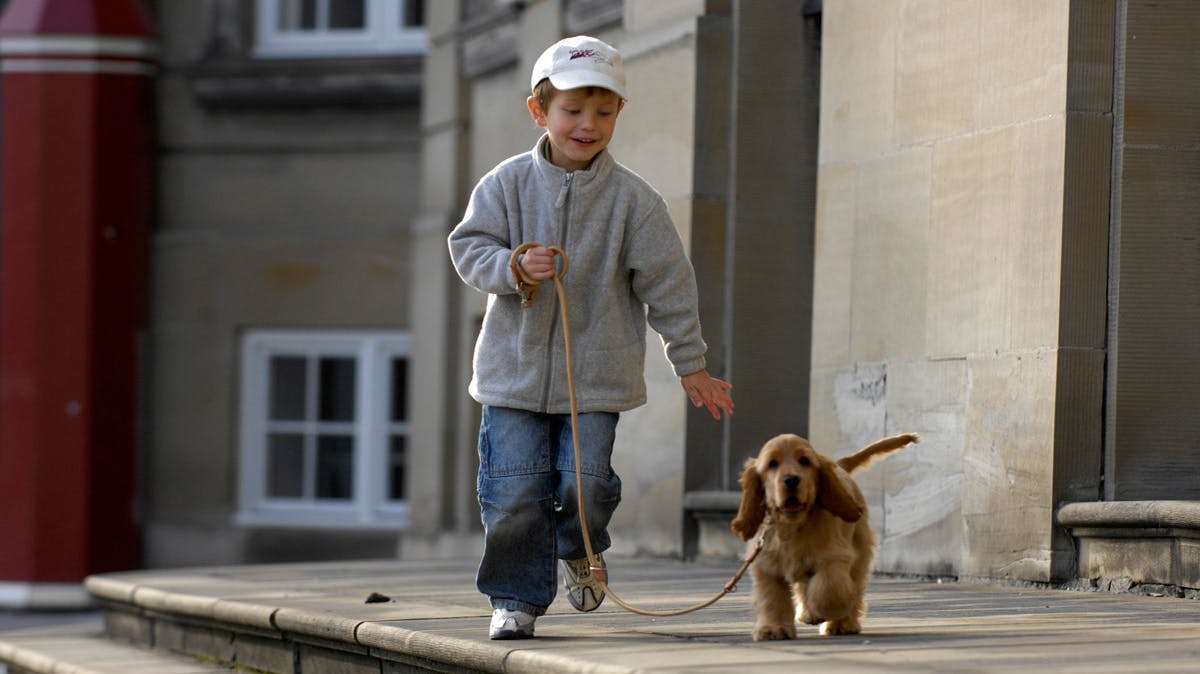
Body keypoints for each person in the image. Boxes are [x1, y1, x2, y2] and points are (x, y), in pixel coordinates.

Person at [447, 35, 734, 640]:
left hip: (597, 376)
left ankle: (581, 547)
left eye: (603, 112)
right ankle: (516, 599)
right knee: (514, 490)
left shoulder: (635, 201)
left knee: (586, 485)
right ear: (539, 112)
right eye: (573, 110)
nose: (588, 124)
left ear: (619, 115)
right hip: (513, 373)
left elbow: (671, 286)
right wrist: (514, 267)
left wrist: (692, 365)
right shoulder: (504, 185)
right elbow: (467, 248)